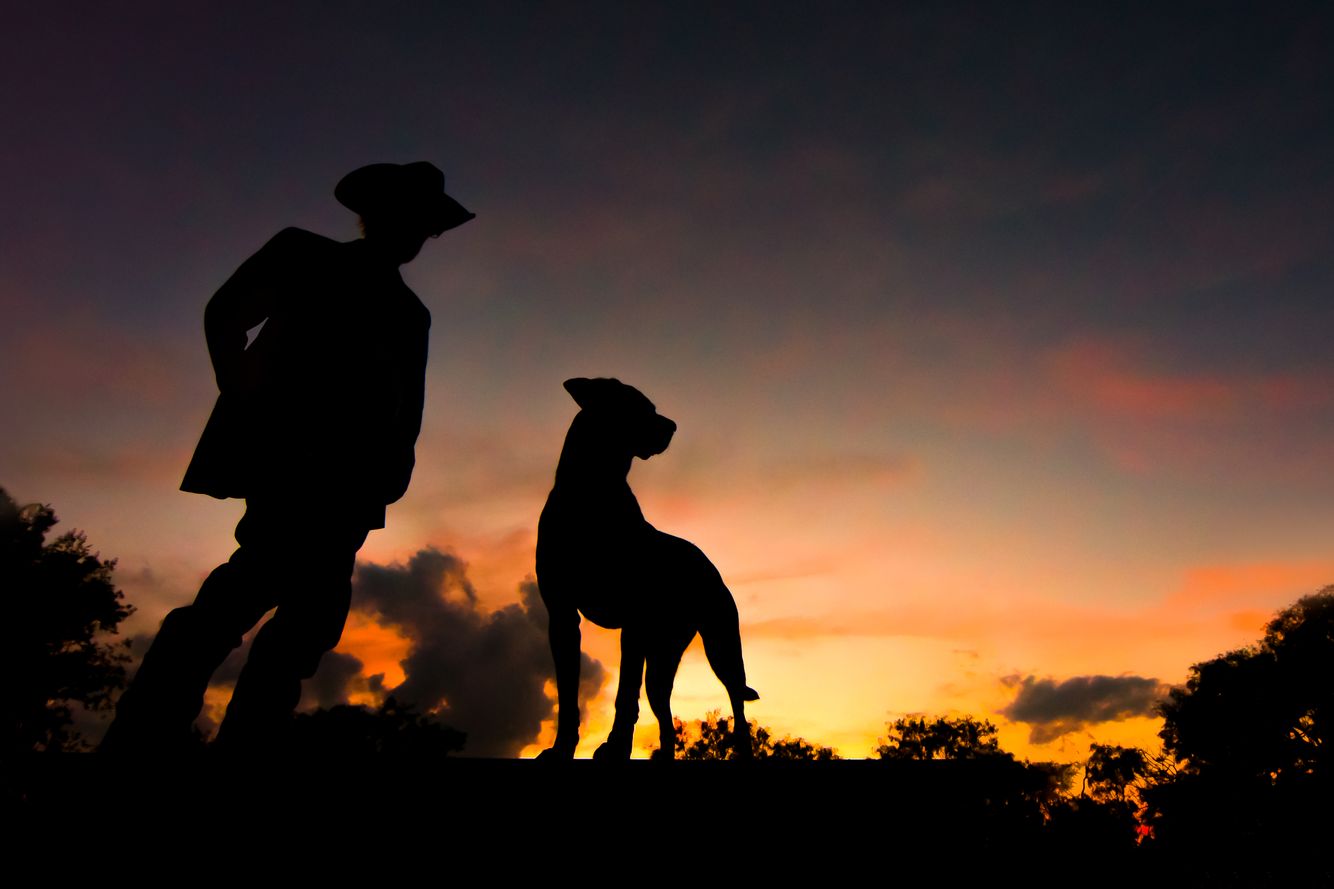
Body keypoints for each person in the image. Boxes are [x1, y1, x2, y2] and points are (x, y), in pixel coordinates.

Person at [101, 162, 473, 752]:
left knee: (311, 615)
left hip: (354, 483)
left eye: (427, 227)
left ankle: (238, 741)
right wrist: (251, 403)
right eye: (412, 220)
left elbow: (408, 405)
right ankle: (146, 731)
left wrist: (393, 468)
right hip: (291, 464)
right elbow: (226, 316)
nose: (420, 236)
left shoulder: (410, 314)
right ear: (377, 215)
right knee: (253, 588)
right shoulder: (305, 256)